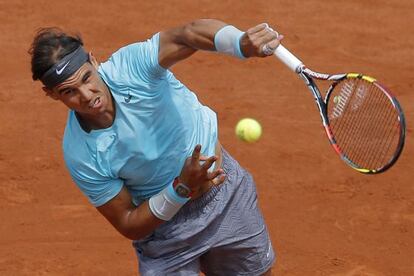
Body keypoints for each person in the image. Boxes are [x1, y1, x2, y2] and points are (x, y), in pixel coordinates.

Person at [29, 19, 282, 275]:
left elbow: (187, 35)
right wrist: (181, 188)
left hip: (227, 199)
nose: (86, 95)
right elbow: (128, 222)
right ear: (51, 94)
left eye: (86, 78)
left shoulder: (130, 68)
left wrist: (239, 43)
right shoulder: (80, 153)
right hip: (165, 233)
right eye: (69, 91)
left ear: (94, 62)